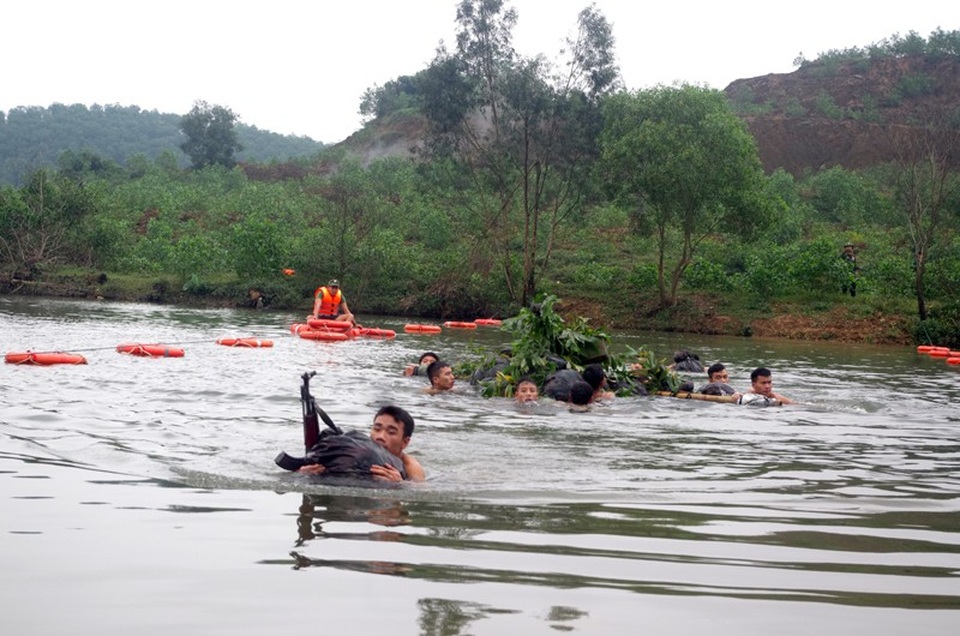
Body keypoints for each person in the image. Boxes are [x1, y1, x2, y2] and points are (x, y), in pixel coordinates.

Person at [298, 406, 425, 482]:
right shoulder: (356, 450)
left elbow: (419, 491)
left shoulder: (410, 466)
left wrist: (399, 484)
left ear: (405, 442)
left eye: (391, 432)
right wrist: (304, 474)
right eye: (377, 429)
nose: (380, 437)